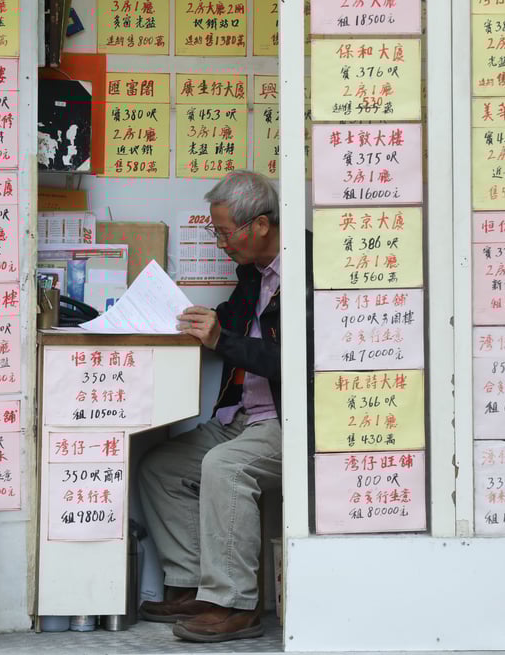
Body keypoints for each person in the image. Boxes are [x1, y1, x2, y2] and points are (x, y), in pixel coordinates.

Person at [138, 170, 284, 643]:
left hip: (289, 420)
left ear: (259, 225)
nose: (220, 243)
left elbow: (299, 361)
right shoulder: (253, 276)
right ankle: (193, 584)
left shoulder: (308, 271)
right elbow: (239, 329)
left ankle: (236, 605)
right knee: (160, 466)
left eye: (224, 232)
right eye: (214, 232)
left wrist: (223, 338)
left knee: (223, 466)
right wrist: (203, 323)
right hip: (241, 416)